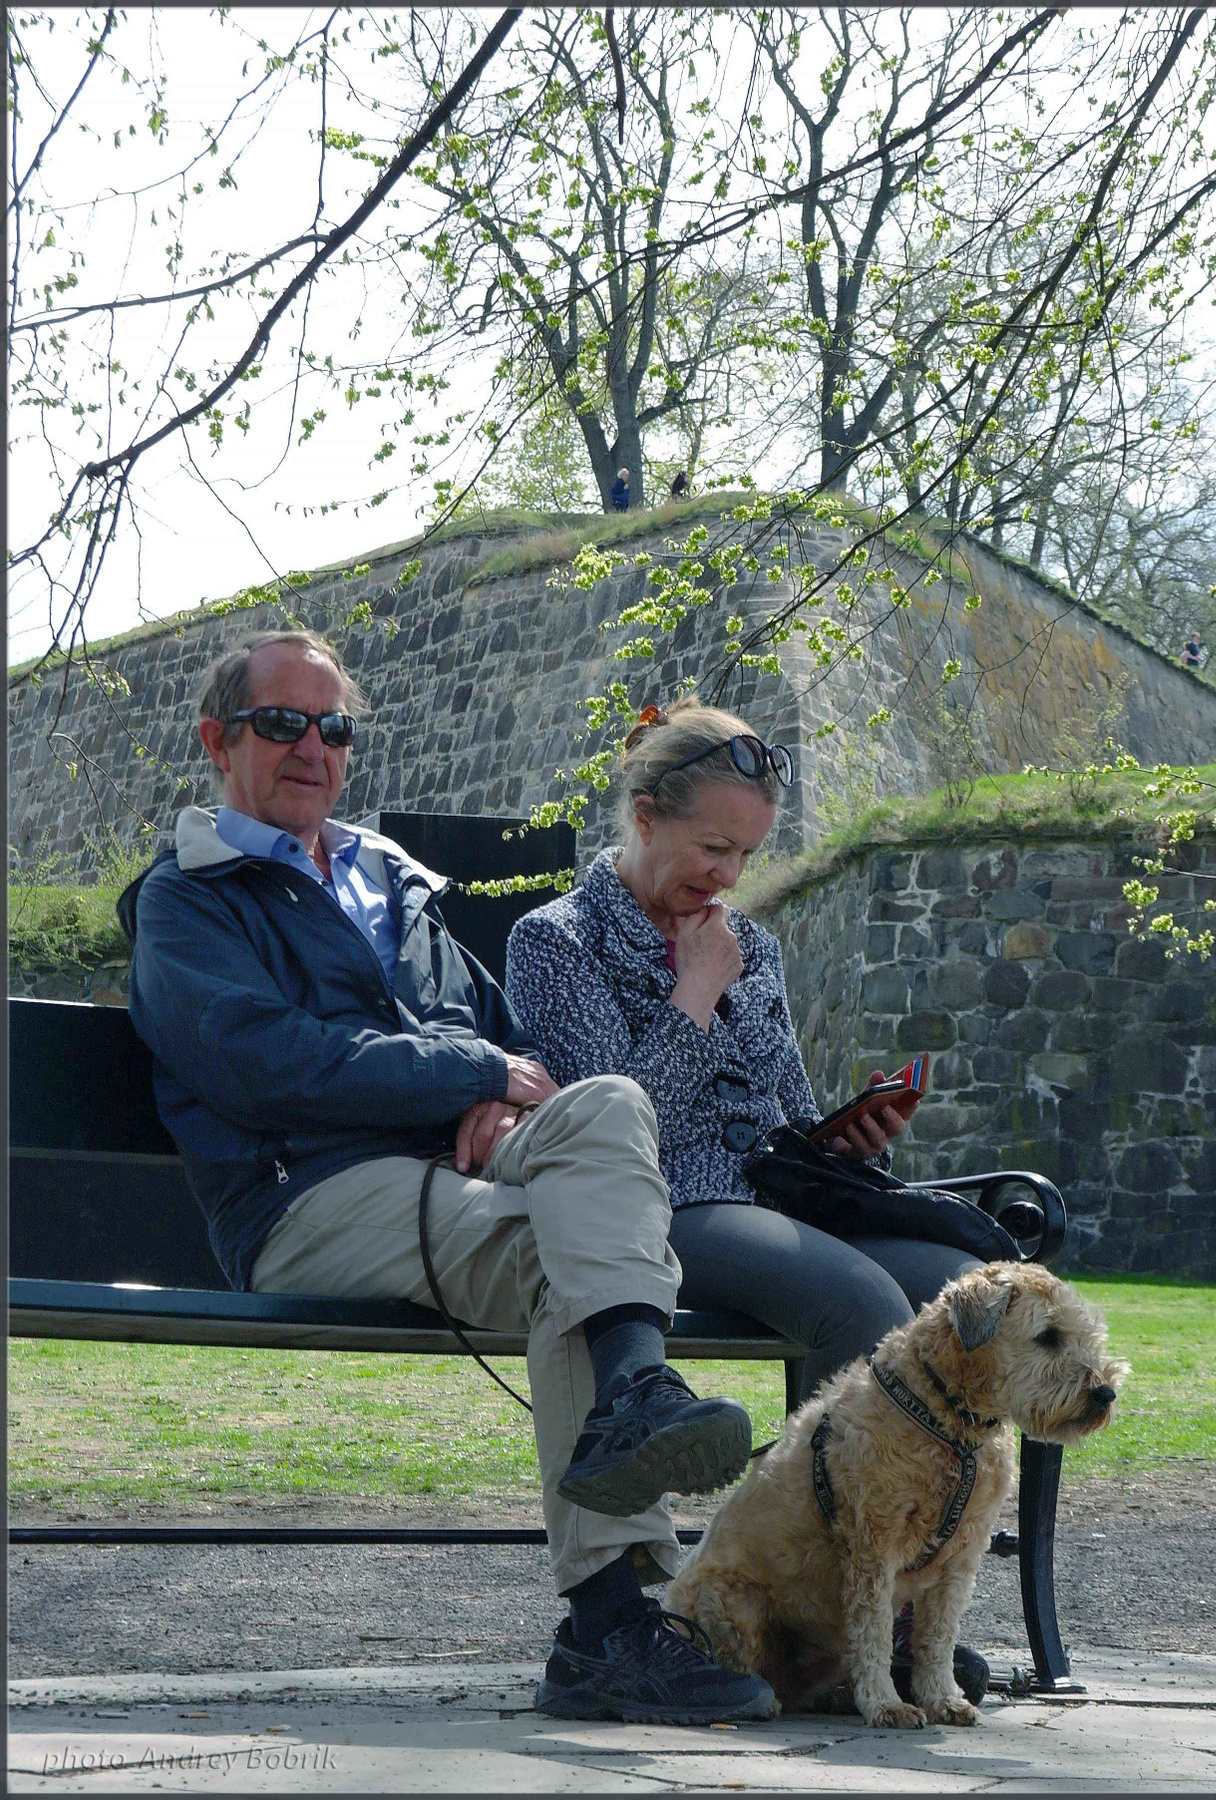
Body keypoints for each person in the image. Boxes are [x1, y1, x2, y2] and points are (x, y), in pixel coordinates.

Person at [117, 630, 776, 1727]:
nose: (313, 748)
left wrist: (495, 1090)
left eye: (334, 727)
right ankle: (607, 1626)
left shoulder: (386, 876)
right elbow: (261, 1062)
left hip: (450, 1161)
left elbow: (506, 1039)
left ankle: (632, 1397)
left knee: (609, 1101)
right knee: (569, 1264)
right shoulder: (188, 896)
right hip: (303, 1193)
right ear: (217, 741)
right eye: (282, 724)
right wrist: (468, 1075)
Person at [505, 696, 992, 1703]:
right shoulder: (555, 940)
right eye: (712, 847)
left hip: (775, 1200)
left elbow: (787, 1109)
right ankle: (842, 1617)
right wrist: (692, 992)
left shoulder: (751, 946)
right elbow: (607, 1123)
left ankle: (906, 1593)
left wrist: (842, 1139)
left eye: (746, 855)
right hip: (658, 1208)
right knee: (856, 1302)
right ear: (645, 815)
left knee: (957, 1295)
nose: (727, 877)